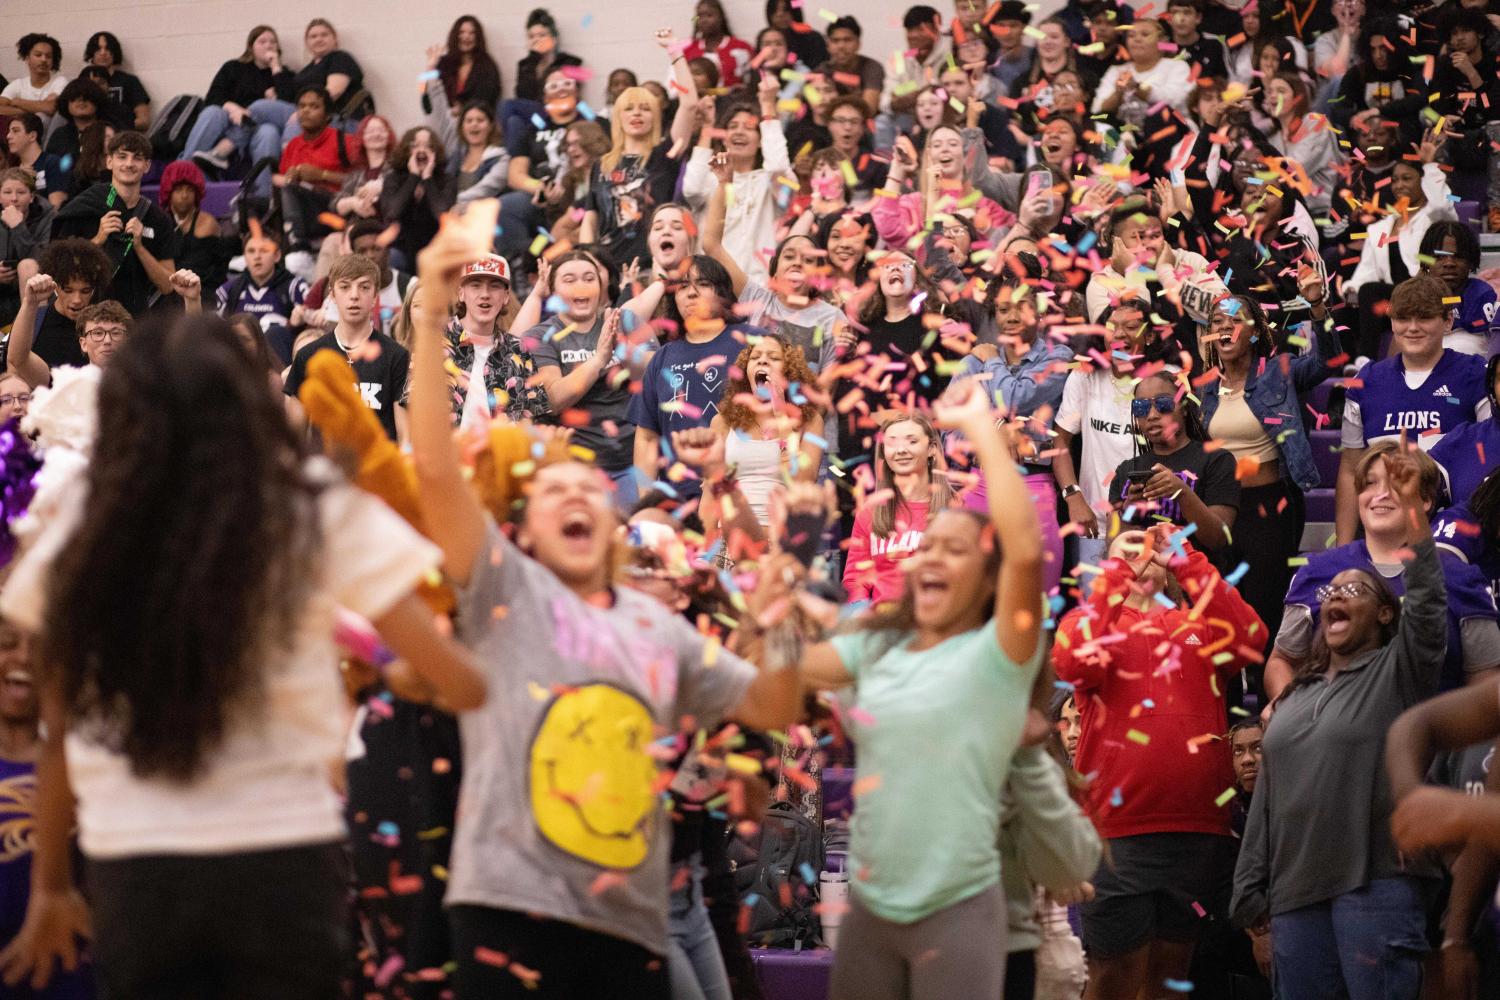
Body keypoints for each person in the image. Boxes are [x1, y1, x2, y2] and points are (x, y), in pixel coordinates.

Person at [0, 308, 485, 998]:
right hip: (284, 862)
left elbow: (58, 731)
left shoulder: (82, 515)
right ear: (249, 401)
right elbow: (459, 683)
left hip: (134, 868)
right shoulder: (308, 503)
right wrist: (411, 674)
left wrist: (50, 888)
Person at [408, 210, 799, 999]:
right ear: (524, 529)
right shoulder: (506, 592)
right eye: (553, 489)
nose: (577, 493)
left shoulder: (658, 625)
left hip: (630, 925)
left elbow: (770, 704)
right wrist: (425, 321)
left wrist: (770, 622)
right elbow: (437, 472)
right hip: (507, 915)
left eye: (589, 486)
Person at [794, 377, 1044, 1000]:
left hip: (960, 900)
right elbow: (777, 670)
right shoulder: (874, 651)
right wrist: (779, 565)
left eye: (950, 548)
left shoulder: (994, 657)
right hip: (872, 905)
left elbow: (1023, 554)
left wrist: (982, 430)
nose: (921, 559)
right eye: (922, 546)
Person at [1232, 446, 1444, 1000]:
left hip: (1377, 884)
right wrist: (1250, 883)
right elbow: (1270, 795)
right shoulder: (1295, 696)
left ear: (1384, 613)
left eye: (1355, 590)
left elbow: (1426, 609)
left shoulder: (1397, 673)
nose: (1336, 597)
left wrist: (1413, 517)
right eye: (1331, 592)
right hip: (1295, 892)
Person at [1056, 523, 1263, 1000]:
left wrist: (1189, 560)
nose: (1142, 553)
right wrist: (1116, 576)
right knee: (1113, 977)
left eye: (1151, 547)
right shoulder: (1090, 621)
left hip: (1197, 828)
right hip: (1117, 831)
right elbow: (1071, 663)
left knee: (1172, 976)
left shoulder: (1200, 625)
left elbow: (1252, 638)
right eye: (1127, 549)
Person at [1265, 442, 1500, 701]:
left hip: (1431, 725)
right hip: (1335, 725)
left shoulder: (1463, 579)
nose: (1381, 494)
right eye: (1369, 483)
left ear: (1425, 500)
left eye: (1396, 483)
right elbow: (1282, 662)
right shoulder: (1316, 572)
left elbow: (1486, 680)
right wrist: (1286, 711)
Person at [1197, 292, 1338, 654]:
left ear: (1256, 331)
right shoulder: (1204, 388)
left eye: (1235, 320)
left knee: (1264, 611)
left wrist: (1317, 307)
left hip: (1269, 507)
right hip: (1220, 510)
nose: (1225, 327)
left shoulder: (1277, 371)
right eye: (1217, 322)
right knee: (1221, 614)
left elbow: (1327, 361)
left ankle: (1266, 688)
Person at [1337, 276, 1490, 544]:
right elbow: (1350, 470)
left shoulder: (1476, 375)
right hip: (1383, 531)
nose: (1413, 328)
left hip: (1453, 535)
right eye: (1403, 318)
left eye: (1424, 317)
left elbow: (1489, 463)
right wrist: (1344, 548)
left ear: (1448, 321)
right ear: (1392, 322)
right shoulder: (1366, 381)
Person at [628, 254, 758, 494]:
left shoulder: (754, 340)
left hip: (745, 492)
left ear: (724, 293)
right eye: (683, 286)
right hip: (679, 499)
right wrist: (646, 498)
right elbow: (646, 436)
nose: (691, 293)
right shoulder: (662, 357)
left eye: (704, 284)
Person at [702, 163, 840, 374]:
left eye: (808, 259)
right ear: (774, 271)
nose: (797, 262)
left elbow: (827, 387)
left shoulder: (832, 317)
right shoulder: (757, 300)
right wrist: (723, 184)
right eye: (789, 256)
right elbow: (711, 245)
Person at [579, 34, 698, 271]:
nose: (636, 114)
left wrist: (674, 50)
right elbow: (590, 220)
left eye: (645, 109)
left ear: (656, 116)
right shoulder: (602, 165)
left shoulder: (665, 155)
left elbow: (689, 104)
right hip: (608, 269)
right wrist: (585, 262)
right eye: (629, 109)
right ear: (618, 117)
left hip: (652, 267)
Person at [526, 251, 637, 502]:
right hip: (573, 467)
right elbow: (553, 399)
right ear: (552, 290)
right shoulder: (538, 336)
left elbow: (654, 376)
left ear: (601, 286)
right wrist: (599, 359)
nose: (581, 286)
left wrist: (630, 349)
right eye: (569, 280)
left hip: (629, 463)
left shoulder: (622, 323)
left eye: (589, 278)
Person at [1343, 129, 1457, 364]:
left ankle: (1365, 360)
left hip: (1424, 295)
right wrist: (1350, 291)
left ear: (1422, 181)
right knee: (1341, 313)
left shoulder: (1433, 218)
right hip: (1392, 302)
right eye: (1395, 180)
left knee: (1371, 291)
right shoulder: (1380, 228)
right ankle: (1339, 374)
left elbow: (1442, 205)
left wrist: (1429, 165)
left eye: (1407, 178)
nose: (1398, 185)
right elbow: (1366, 273)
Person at [694, 334, 824, 534]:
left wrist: (781, 416)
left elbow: (803, 482)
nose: (762, 361)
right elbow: (711, 493)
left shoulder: (810, 421)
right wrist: (702, 546)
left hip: (781, 541)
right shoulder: (722, 422)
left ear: (789, 372)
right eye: (755, 357)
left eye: (774, 357)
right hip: (730, 540)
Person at [1110, 372, 1241, 563]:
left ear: (1184, 407)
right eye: (1141, 407)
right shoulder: (1126, 470)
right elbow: (1112, 548)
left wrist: (1182, 492)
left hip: (1198, 577)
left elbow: (1218, 539)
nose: (1152, 415)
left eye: (1163, 404)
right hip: (1145, 579)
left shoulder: (1218, 461)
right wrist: (1129, 511)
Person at [284, 253, 408, 444]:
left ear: (375, 296)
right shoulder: (308, 356)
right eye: (344, 287)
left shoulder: (396, 356)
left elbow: (405, 436)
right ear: (332, 295)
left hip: (377, 460)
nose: (354, 295)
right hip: (325, 461)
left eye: (364, 287)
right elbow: (294, 438)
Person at [51, 131, 176, 316]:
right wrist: (98, 239)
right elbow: (59, 267)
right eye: (122, 157)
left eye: (137, 158)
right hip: (87, 315)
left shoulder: (158, 219)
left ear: (147, 166)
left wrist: (140, 248)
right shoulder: (85, 206)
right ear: (109, 161)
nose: (129, 164)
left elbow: (168, 286)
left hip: (134, 317)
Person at [684, 80, 792, 286]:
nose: (739, 132)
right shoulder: (711, 180)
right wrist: (707, 126)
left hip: (761, 289)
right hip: (713, 287)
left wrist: (767, 105)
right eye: (732, 127)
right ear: (724, 138)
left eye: (749, 127)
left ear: (760, 140)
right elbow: (691, 189)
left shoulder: (770, 183)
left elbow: (778, 166)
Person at [424, 252, 550, 428]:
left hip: (505, 445)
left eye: (494, 286)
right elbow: (412, 411)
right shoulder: (433, 344)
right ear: (461, 293)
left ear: (506, 296)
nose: (485, 294)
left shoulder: (519, 350)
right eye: (475, 285)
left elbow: (536, 418)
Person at [844, 414, 953, 605]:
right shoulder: (869, 511)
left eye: (912, 441)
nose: (901, 450)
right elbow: (855, 580)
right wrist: (862, 614)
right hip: (882, 620)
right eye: (892, 443)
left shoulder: (956, 508)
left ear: (932, 448)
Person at [180, 26, 293, 191]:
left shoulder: (284, 74)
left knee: (269, 131)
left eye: (272, 42)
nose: (268, 45)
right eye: (262, 42)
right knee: (212, 112)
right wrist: (234, 108)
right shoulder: (233, 67)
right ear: (251, 46)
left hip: (259, 128)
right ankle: (183, 173)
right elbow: (213, 97)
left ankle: (263, 196)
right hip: (230, 120)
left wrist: (276, 68)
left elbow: (288, 106)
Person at [274, 87, 364, 271]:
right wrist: (288, 178)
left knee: (291, 190)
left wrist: (322, 175)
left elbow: (362, 181)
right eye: (302, 106)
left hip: (334, 210)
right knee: (248, 201)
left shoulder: (345, 141)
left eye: (314, 106)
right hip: (302, 210)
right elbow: (282, 181)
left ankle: (299, 249)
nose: (306, 111)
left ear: (327, 115)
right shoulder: (293, 145)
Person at [247, 19, 365, 146]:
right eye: (313, 36)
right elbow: (289, 98)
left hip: (338, 118)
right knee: (258, 108)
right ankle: (231, 145)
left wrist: (302, 112)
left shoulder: (340, 58)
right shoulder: (306, 70)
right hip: (305, 112)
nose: (319, 39)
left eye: (324, 35)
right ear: (307, 43)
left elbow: (333, 92)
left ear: (334, 39)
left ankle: (291, 156)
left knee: (298, 122)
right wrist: (275, 71)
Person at [5, 239, 109, 375]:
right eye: (68, 290)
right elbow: (13, 368)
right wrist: (29, 303)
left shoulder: (104, 327)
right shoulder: (33, 319)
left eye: (85, 291)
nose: (77, 300)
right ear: (56, 287)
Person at [215, 228, 309, 366]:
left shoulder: (295, 287)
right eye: (251, 251)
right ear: (244, 256)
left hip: (282, 365)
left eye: (264, 250)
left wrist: (295, 325)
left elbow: (313, 333)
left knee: (275, 333)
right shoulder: (228, 291)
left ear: (277, 255)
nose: (257, 256)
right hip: (241, 364)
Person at [1092, 16, 1194, 126]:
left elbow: (1178, 102)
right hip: (1126, 132)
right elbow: (1096, 109)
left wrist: (1138, 88)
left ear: (1162, 42)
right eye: (1131, 35)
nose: (1137, 39)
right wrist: (1118, 93)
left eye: (1145, 35)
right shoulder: (1116, 70)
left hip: (1173, 130)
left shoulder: (1177, 66)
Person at [1419, 220, 1499, 357]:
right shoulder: (1410, 304)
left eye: (1458, 256)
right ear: (1426, 262)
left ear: (1471, 261)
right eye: (1439, 256)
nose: (1449, 263)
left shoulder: (1488, 303)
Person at [380, 127, 455, 271]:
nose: (421, 151)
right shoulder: (393, 178)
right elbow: (391, 213)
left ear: (435, 152)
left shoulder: (446, 180)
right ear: (406, 150)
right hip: (401, 248)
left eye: (428, 146)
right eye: (415, 146)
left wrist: (427, 178)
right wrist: (413, 177)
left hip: (435, 248)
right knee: (392, 258)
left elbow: (442, 215)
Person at [158, 161, 224, 297]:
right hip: (168, 294)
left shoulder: (207, 222)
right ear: (168, 192)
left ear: (197, 193)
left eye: (189, 190)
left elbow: (197, 266)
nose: (184, 195)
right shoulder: (160, 221)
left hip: (203, 292)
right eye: (178, 190)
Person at [0, 166, 52, 323]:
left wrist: (18, 227)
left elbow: (44, 261)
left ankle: (36, 332)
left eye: (21, 192)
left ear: (31, 197)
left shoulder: (48, 217)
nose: (14, 198)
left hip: (34, 290)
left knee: (27, 265)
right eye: (7, 192)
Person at [425, 16, 501, 121]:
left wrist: (462, 109)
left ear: (478, 38)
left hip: (474, 120)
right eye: (461, 32)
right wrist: (431, 67)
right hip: (445, 119)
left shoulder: (487, 66)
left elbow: (485, 100)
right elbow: (427, 98)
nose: (466, 37)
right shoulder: (444, 63)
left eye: (472, 33)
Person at [80, 31, 149, 132]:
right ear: (92, 53)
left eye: (108, 48)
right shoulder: (82, 81)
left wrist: (116, 128)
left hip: (122, 136)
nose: (103, 53)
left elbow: (144, 121)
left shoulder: (130, 81)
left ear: (114, 52)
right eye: (98, 49)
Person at [513, 9, 583, 106]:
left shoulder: (570, 62)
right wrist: (534, 58)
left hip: (564, 108)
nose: (536, 40)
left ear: (554, 39)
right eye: (531, 37)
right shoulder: (525, 65)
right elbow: (523, 97)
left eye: (542, 35)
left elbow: (571, 92)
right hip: (535, 112)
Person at [817, 17, 884, 115]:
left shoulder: (872, 67)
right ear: (828, 46)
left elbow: (869, 109)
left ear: (858, 44)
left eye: (847, 40)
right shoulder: (822, 70)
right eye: (835, 41)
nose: (841, 46)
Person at [684, 0, 755, 89]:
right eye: (699, 16)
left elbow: (753, 79)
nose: (704, 20)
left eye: (709, 15)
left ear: (721, 17)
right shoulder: (688, 51)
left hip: (735, 97)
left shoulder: (741, 47)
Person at [0, 34, 66, 123]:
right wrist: (33, 110)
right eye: (38, 55)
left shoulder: (60, 81)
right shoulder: (18, 84)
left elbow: (51, 108)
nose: (44, 59)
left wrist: (17, 102)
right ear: (27, 58)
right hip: (22, 131)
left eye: (48, 56)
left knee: (43, 117)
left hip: (49, 131)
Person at [6, 114, 67, 207]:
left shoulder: (53, 163)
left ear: (32, 136)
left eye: (15, 131)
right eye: (9, 132)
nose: (8, 136)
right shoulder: (13, 170)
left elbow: (56, 206)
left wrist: (30, 185)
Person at [44, 79, 106, 165]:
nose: (81, 100)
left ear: (97, 102)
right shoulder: (60, 135)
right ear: (66, 103)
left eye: (87, 97)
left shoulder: (108, 132)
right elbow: (50, 166)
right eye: (74, 97)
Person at [766, 0, 828, 71]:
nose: (779, 14)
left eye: (786, 9)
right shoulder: (767, 40)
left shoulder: (813, 39)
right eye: (774, 10)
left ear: (795, 12)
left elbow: (819, 70)